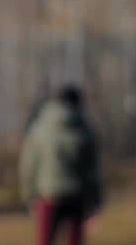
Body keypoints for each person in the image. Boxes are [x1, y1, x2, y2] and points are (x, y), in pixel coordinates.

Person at [19, 85, 102, 245]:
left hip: (47, 196)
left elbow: (28, 166)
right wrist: (95, 204)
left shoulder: (39, 128)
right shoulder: (85, 129)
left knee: (45, 241)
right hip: (77, 197)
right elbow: (93, 172)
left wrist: (29, 195)